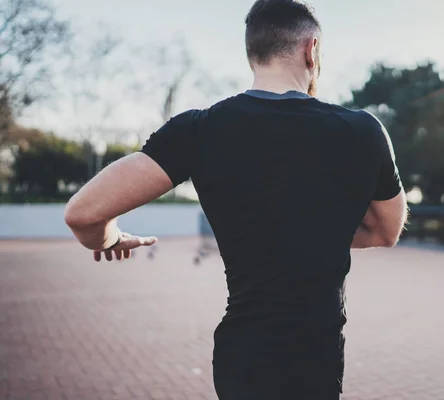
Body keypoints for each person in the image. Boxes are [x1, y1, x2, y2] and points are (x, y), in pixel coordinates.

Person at [64, 0, 408, 398]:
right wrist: (315, 228)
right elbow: (386, 231)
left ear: (253, 54)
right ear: (311, 49)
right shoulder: (362, 131)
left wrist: (109, 238)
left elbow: (82, 214)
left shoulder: (200, 130)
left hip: (242, 358)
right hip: (316, 357)